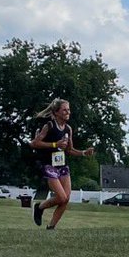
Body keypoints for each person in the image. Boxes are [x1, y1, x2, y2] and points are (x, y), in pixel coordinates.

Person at [29, 98, 94, 231]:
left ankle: (51, 227)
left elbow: (69, 150)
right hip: (49, 166)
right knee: (61, 197)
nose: (68, 112)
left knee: (66, 199)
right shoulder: (49, 126)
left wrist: (83, 153)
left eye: (68, 110)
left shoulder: (68, 129)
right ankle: (39, 207)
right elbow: (34, 143)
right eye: (64, 110)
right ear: (56, 112)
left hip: (62, 165)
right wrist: (54, 144)